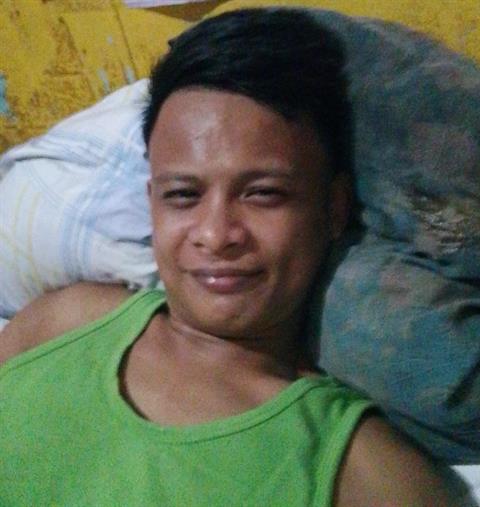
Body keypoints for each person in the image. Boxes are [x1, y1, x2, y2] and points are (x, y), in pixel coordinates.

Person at [0, 8, 460, 506]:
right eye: (183, 195)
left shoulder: (366, 478)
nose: (216, 235)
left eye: (263, 194)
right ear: (152, 202)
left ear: (334, 208)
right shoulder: (61, 323)